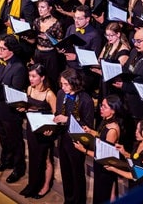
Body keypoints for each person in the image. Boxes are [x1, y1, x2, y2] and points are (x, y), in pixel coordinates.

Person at [0, 35, 28, 184]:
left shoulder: (19, 68)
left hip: (10, 111)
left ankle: (18, 168)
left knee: (15, 140)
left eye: (3, 48)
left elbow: (14, 91)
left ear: (12, 51)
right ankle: (6, 161)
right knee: (2, 137)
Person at [113, 28, 143, 150]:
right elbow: (127, 69)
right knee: (128, 137)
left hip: (142, 108)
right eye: (134, 40)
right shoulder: (135, 52)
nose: (135, 44)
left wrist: (124, 86)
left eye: (139, 41)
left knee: (140, 141)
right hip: (128, 103)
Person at [54, 67, 94, 204]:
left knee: (77, 173)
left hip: (77, 142)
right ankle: (68, 199)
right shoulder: (60, 94)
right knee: (65, 172)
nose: (63, 87)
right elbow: (58, 113)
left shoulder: (86, 99)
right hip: (62, 138)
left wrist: (67, 120)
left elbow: (87, 126)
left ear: (75, 83)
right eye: (62, 83)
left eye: (66, 84)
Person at [74, 94, 124, 204]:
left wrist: (84, 150)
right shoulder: (107, 121)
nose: (101, 108)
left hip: (105, 168)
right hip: (100, 165)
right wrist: (91, 131)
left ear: (113, 110)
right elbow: (101, 135)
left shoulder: (112, 130)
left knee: (103, 195)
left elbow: (104, 154)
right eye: (101, 105)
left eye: (104, 107)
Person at [18, 64, 56, 199]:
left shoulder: (49, 94)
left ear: (42, 77)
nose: (30, 79)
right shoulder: (29, 89)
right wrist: (24, 109)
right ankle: (33, 184)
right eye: (29, 76)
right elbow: (29, 108)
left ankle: (45, 185)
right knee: (34, 157)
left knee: (45, 159)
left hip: (44, 131)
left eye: (34, 76)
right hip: (31, 128)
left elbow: (56, 116)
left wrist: (50, 130)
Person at [105, 118, 143, 202]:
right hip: (134, 186)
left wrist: (114, 169)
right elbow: (135, 159)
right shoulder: (140, 143)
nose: (136, 132)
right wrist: (125, 153)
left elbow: (135, 176)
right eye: (136, 129)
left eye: (139, 131)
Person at [63, 5, 102, 94]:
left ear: (87, 19)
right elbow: (65, 44)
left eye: (79, 19)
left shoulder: (94, 35)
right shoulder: (71, 28)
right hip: (69, 68)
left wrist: (76, 57)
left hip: (83, 73)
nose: (76, 21)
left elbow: (94, 58)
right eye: (75, 18)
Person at [31, 0, 64, 90]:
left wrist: (50, 38)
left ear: (50, 8)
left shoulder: (57, 24)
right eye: (39, 7)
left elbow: (60, 42)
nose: (40, 9)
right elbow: (33, 40)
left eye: (43, 7)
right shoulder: (36, 21)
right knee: (36, 78)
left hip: (50, 55)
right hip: (38, 53)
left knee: (51, 80)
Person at [91, 22, 130, 98]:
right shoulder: (108, 45)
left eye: (111, 35)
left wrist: (100, 72)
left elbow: (117, 73)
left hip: (114, 86)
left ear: (118, 34)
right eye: (107, 35)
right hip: (104, 82)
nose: (109, 38)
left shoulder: (124, 51)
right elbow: (99, 60)